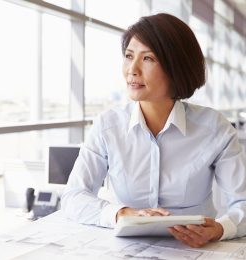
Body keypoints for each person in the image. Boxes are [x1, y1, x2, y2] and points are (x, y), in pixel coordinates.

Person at [61, 13, 246, 248]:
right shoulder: (108, 126)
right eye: (129, 56)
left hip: (194, 249)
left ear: (176, 66)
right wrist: (122, 214)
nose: (132, 69)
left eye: (148, 58)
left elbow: (243, 203)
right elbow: (73, 197)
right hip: (124, 250)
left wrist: (220, 229)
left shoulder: (214, 128)